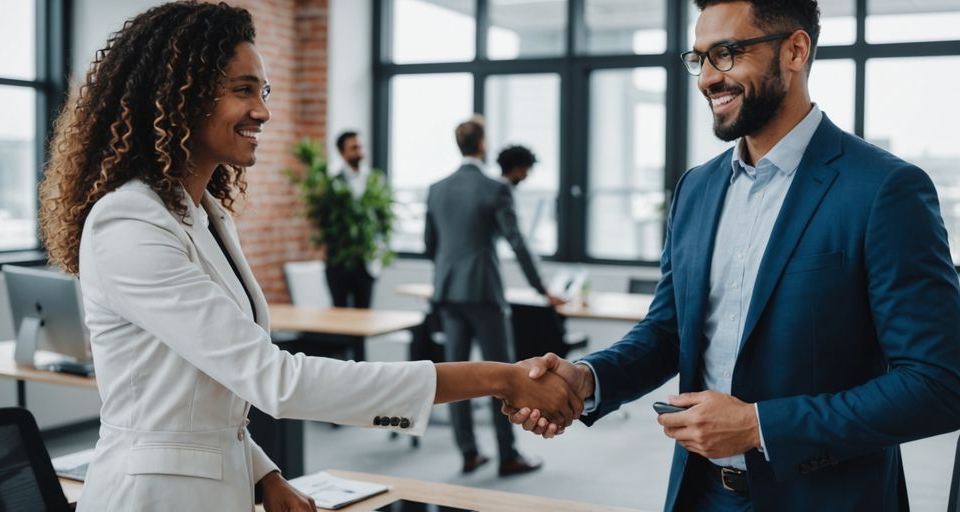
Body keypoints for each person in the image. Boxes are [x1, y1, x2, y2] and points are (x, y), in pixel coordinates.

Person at [37, 4, 580, 511]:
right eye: (243, 90)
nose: (264, 111)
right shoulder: (129, 222)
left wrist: (264, 476)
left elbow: (205, 391)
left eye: (264, 89)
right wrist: (498, 378)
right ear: (179, 96)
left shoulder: (203, 215)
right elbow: (277, 380)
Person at [504, 1, 960, 510]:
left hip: (825, 498)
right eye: (699, 58)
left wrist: (757, 426)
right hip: (701, 494)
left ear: (795, 51)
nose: (707, 78)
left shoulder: (884, 189)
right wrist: (589, 378)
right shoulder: (697, 188)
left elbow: (936, 386)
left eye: (726, 54)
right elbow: (668, 332)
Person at [424, 116, 566, 477]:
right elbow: (518, 244)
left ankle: (469, 452)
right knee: (504, 376)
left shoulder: (437, 188)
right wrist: (542, 289)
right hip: (484, 294)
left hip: (448, 293)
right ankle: (508, 455)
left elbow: (431, 245)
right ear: (483, 144)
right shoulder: (495, 189)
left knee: (452, 376)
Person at [324, 131, 379, 308]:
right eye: (354, 147)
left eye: (361, 146)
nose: (359, 151)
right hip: (339, 261)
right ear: (342, 152)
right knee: (339, 315)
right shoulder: (332, 183)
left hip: (366, 262)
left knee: (365, 315)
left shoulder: (373, 181)